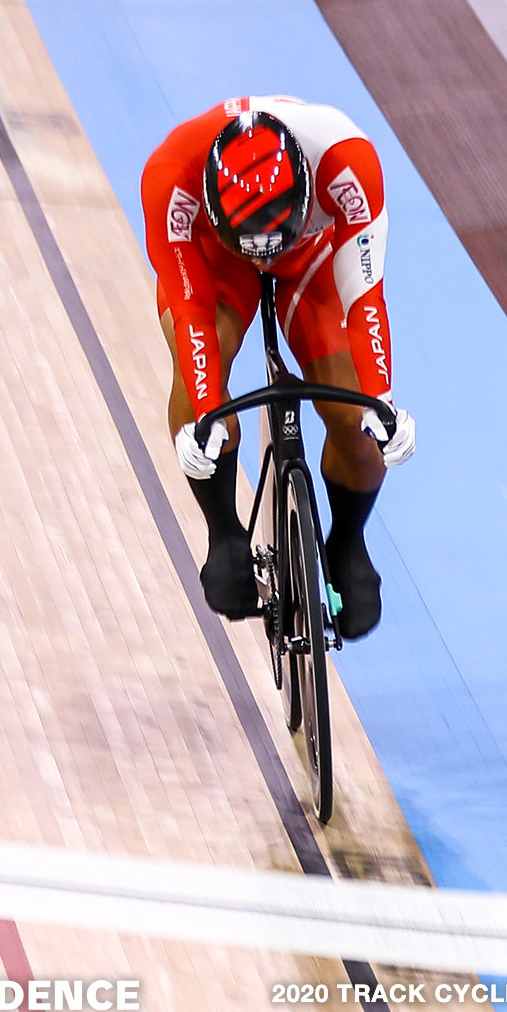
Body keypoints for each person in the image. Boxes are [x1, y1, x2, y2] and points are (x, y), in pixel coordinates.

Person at [143, 96, 415, 637]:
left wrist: (380, 401)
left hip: (311, 252)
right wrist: (205, 410)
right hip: (215, 257)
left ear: (307, 189)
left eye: (271, 240)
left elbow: (365, 298)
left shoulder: (347, 161)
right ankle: (223, 533)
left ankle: (348, 540)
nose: (262, 257)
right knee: (203, 387)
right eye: (255, 246)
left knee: (353, 415)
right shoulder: (170, 177)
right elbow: (193, 312)